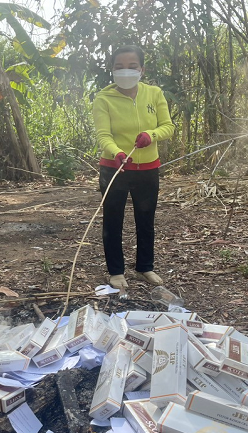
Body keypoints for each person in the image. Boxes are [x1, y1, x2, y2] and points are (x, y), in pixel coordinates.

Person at [92, 45, 175, 290]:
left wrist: (151, 135)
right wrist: (116, 152)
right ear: (112, 70)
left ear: (141, 69)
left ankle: (145, 267)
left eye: (132, 66)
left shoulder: (154, 94)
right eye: (119, 67)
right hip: (114, 167)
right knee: (113, 220)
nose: (126, 71)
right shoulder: (103, 98)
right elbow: (103, 135)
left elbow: (167, 127)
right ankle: (116, 271)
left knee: (146, 218)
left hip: (148, 168)